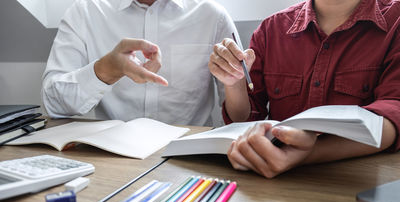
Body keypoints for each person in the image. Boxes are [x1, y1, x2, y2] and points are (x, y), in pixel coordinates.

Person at [209, 0, 400, 178]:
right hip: (272, 184)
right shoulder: (271, 29)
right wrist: (234, 84)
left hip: (360, 181)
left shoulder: (395, 20)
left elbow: (394, 113)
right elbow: (244, 119)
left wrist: (309, 152)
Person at [42, 0, 236, 126]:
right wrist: (106, 70)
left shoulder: (213, 16)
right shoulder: (85, 12)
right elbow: (54, 105)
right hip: (112, 158)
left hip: (190, 158)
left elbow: (240, 116)